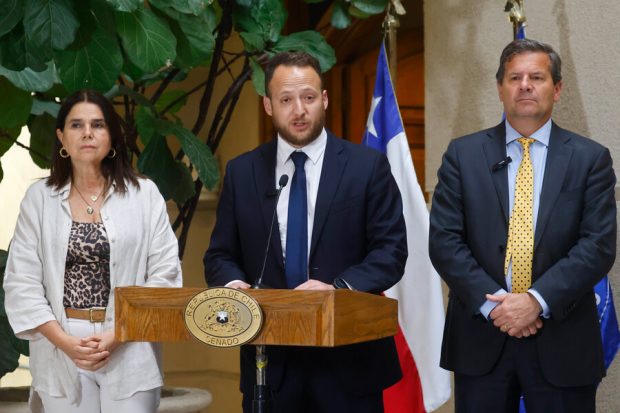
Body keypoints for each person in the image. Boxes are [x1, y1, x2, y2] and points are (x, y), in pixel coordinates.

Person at [203, 52, 408, 412]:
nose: (299, 110)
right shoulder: (242, 172)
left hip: (349, 362)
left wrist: (337, 289)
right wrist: (235, 286)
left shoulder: (366, 167)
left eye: (309, 97)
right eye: (286, 100)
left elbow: (390, 253)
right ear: (268, 106)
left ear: (324, 100)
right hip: (270, 365)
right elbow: (221, 255)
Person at [429, 38, 616, 413]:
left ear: (557, 88)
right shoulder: (462, 155)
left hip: (562, 339)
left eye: (537, 77)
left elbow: (597, 246)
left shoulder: (590, 159)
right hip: (482, 337)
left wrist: (534, 301)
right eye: (514, 77)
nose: (525, 85)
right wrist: (497, 307)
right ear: (500, 88)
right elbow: (445, 242)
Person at [3, 89, 182, 413]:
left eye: (98, 125)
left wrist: (118, 333)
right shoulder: (38, 199)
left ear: (112, 135)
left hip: (128, 342)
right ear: (61, 136)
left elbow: (165, 275)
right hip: (61, 344)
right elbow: (22, 281)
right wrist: (65, 342)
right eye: (76, 125)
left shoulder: (145, 196)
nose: (87, 133)